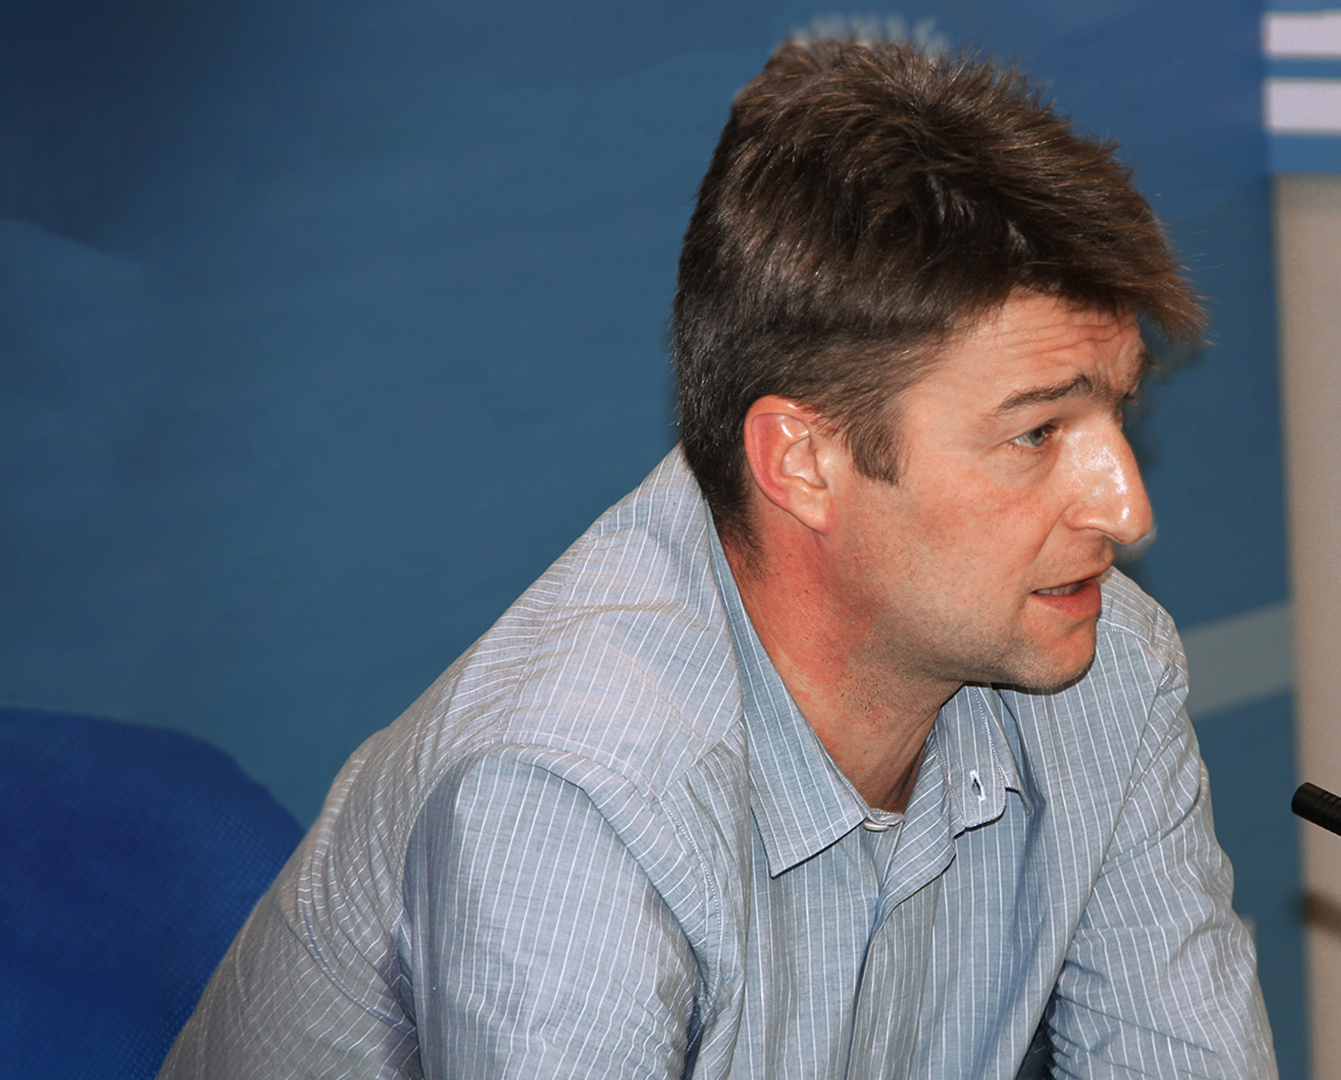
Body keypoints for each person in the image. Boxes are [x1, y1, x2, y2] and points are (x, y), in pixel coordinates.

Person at [160, 36, 1278, 1079]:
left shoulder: (1108, 669)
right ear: (803, 461)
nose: (1128, 509)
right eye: (1037, 434)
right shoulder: (570, 793)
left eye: (1119, 413)